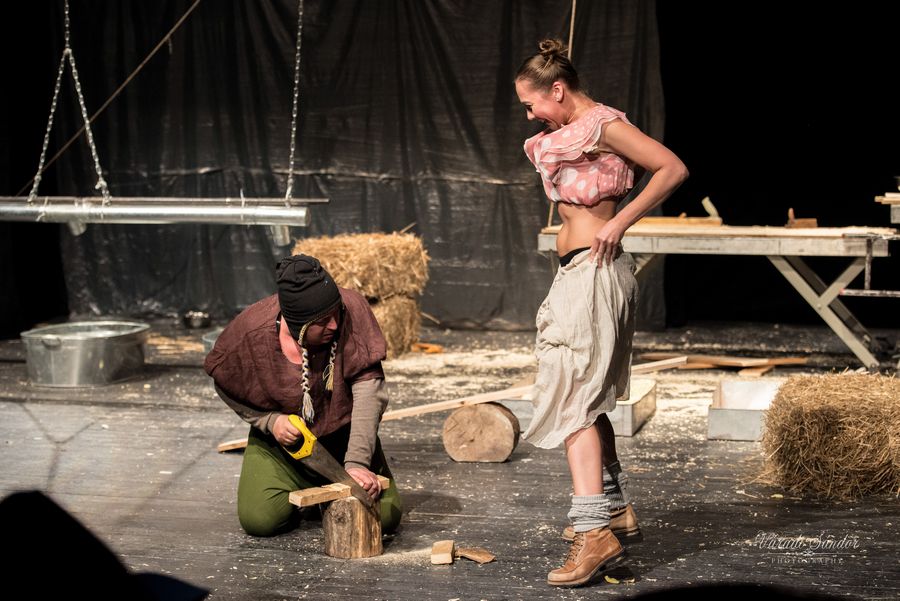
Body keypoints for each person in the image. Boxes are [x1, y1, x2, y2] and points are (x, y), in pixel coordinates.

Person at [515, 39, 688, 587]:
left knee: (575, 403)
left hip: (594, 271)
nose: (530, 115)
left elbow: (671, 167)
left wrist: (620, 221)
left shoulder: (603, 124)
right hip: (577, 272)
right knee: (584, 397)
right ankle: (613, 509)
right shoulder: (570, 132)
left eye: (532, 104)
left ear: (557, 90)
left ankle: (593, 533)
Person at [204, 254, 402, 537]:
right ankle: (306, 487)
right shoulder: (249, 332)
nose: (334, 325)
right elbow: (224, 380)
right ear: (297, 324)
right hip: (284, 444)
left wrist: (357, 463)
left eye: (335, 313)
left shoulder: (352, 309)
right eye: (322, 321)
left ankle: (330, 487)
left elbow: (370, 391)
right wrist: (269, 421)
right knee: (260, 520)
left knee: (386, 517)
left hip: (343, 437)